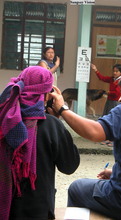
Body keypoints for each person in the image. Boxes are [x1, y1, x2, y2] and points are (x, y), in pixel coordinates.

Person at [50, 68, 121, 220]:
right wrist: (116, 172)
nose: (120, 98)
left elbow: (95, 132)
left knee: (76, 188)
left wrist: (62, 109)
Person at [0, 66, 80, 220]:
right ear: (47, 95)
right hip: (38, 213)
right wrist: (59, 116)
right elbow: (69, 166)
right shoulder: (52, 126)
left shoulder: (4, 118)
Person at [91, 63, 121, 146]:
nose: (114, 73)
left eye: (116, 71)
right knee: (106, 118)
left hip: (115, 102)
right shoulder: (112, 79)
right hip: (109, 101)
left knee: (114, 120)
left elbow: (117, 93)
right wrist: (96, 70)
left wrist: (108, 92)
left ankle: (113, 140)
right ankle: (107, 138)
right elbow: (102, 78)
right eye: (114, 71)